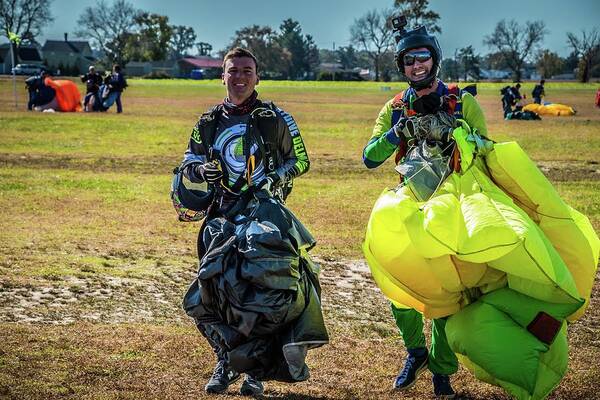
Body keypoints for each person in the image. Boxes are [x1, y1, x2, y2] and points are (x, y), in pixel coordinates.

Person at [362, 19, 488, 399]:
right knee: (399, 288)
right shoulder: (395, 107)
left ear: (435, 59)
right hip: (411, 206)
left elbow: (487, 148)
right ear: (401, 67)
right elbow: (369, 157)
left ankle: (442, 374)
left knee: (449, 294)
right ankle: (416, 352)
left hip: (455, 207)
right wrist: (394, 132)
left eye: (422, 58)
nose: (416, 66)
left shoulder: (462, 102)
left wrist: (457, 132)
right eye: (408, 61)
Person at [180, 48, 312, 396]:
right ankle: (226, 361)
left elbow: (301, 160)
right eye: (233, 70)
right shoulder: (208, 122)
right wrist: (198, 170)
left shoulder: (276, 118)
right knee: (211, 293)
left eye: (247, 71)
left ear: (257, 77)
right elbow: (188, 161)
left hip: (265, 218)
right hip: (220, 218)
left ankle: (256, 372)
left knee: (264, 296)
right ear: (222, 76)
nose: (239, 77)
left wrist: (274, 177)